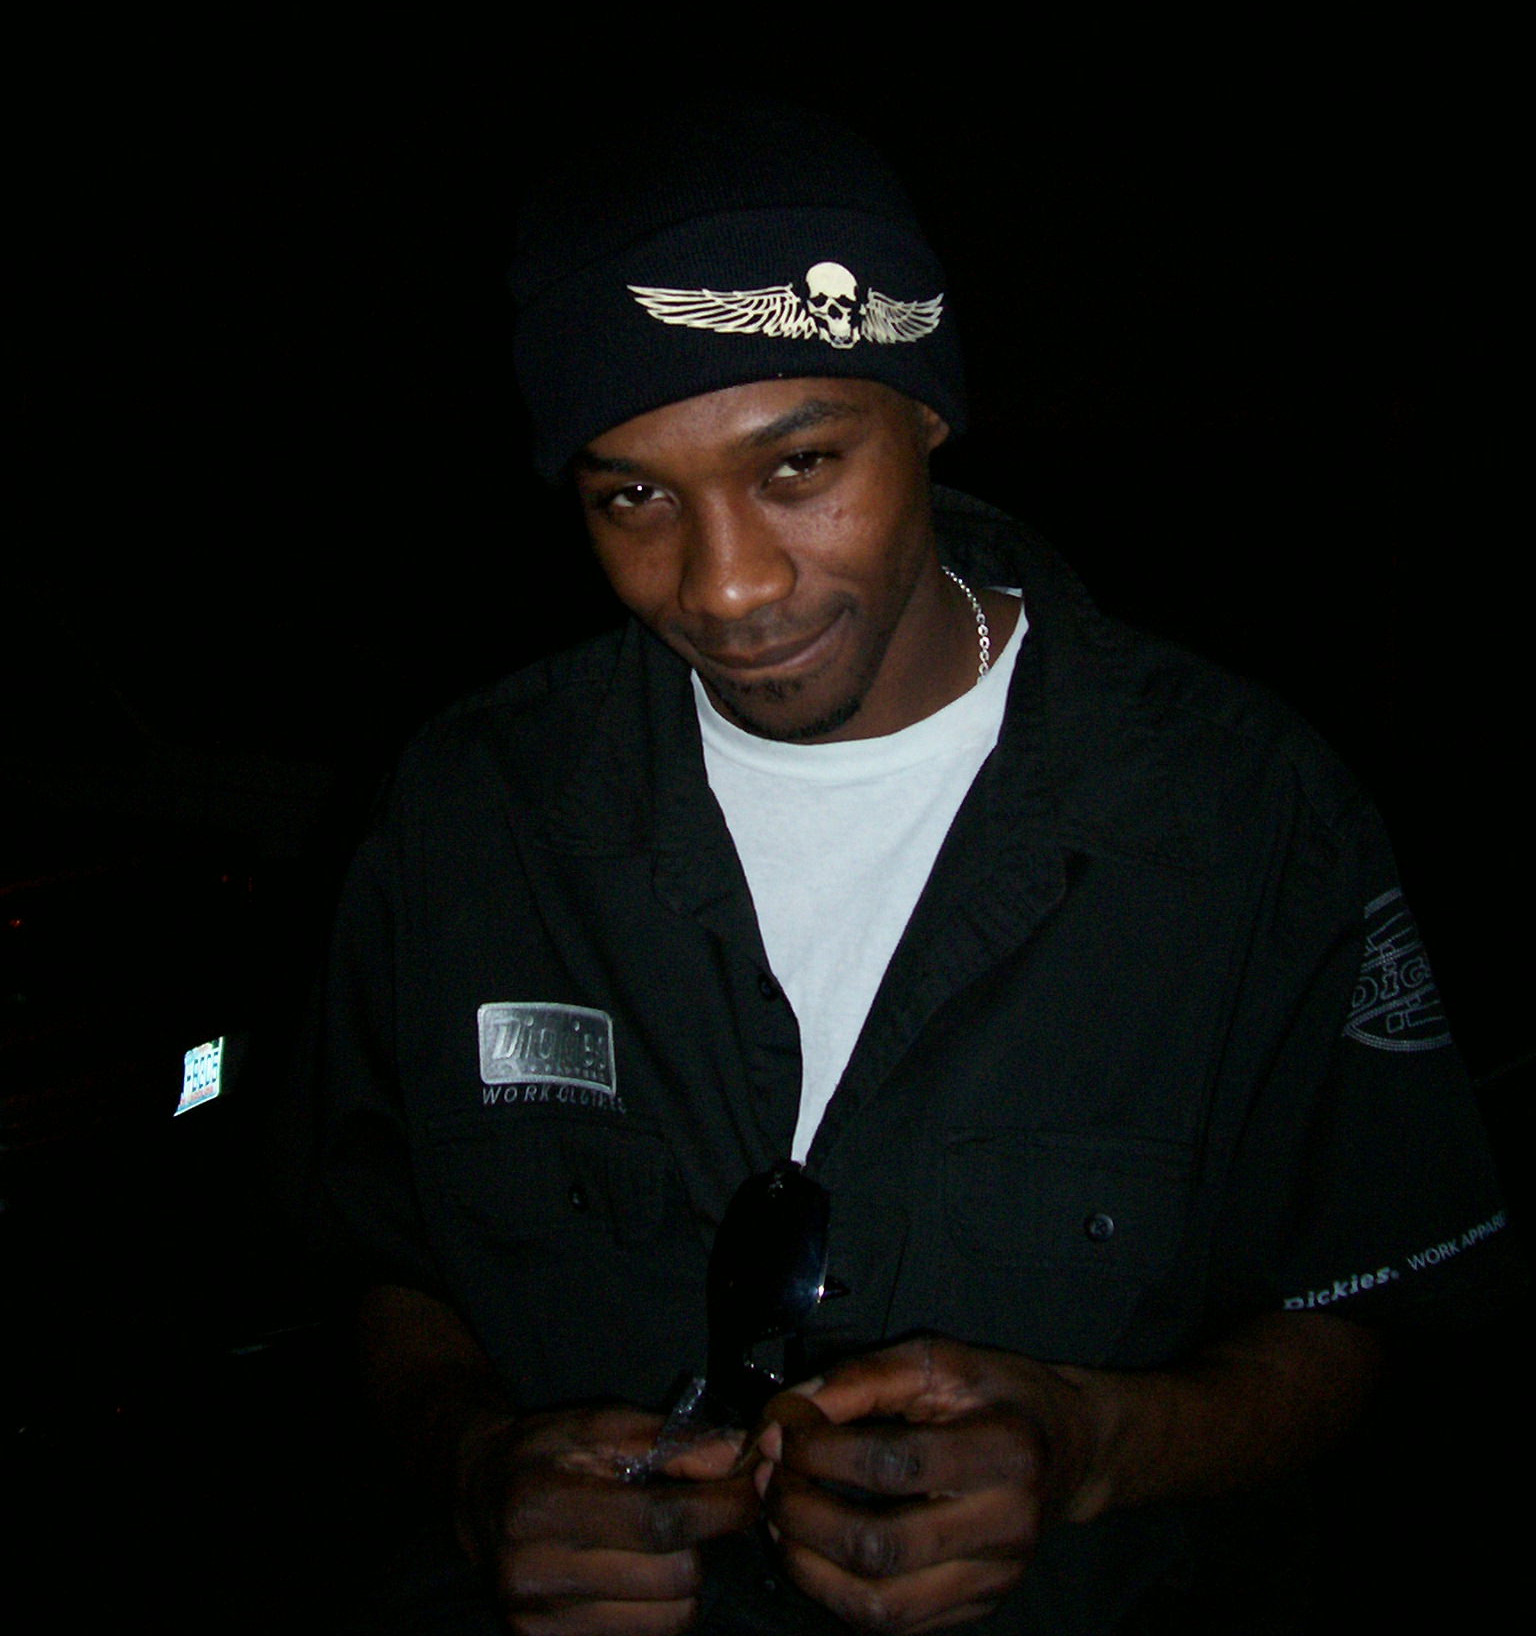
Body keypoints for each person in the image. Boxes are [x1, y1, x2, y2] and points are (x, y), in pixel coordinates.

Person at [296, 99, 1517, 1634]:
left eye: (799, 465)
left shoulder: (1240, 816)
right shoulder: (471, 814)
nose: (727, 586)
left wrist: (1092, 1447)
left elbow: (1378, 1310)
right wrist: (478, 1461)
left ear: (926, 414)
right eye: (633, 497)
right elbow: (373, 1256)